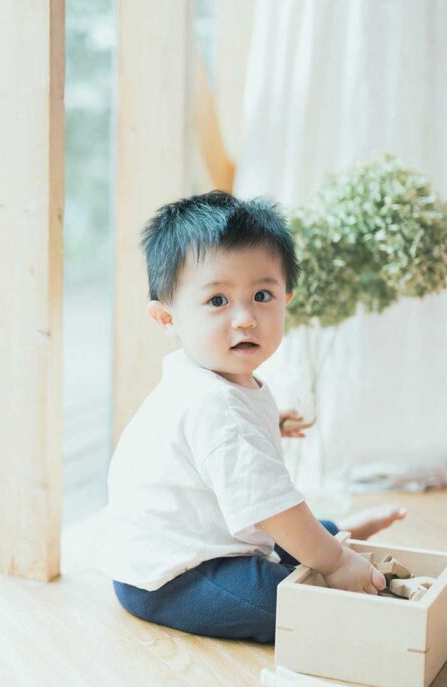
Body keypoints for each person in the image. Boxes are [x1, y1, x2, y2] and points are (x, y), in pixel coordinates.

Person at [98, 191, 407, 643]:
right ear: (167, 317)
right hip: (173, 575)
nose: (245, 319)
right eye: (218, 301)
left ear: (287, 299)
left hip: (202, 538)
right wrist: (336, 566)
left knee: (296, 536)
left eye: (262, 295)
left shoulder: (214, 382)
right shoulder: (213, 404)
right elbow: (270, 504)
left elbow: (211, 447)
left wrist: (271, 423)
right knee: (287, 598)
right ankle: (334, 548)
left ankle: (332, 534)